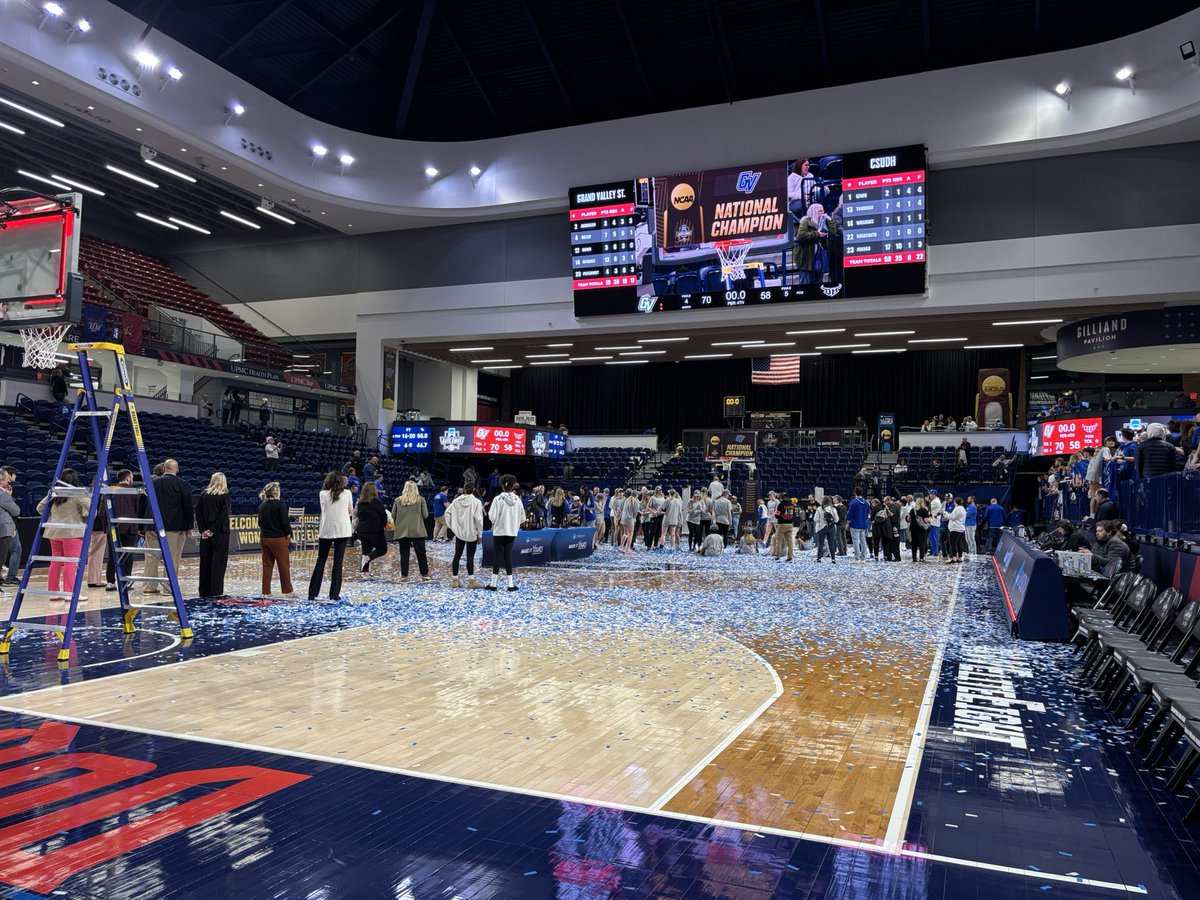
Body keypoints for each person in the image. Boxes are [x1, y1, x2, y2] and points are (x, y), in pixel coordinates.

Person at [36, 469, 88, 601]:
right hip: (72, 532)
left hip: (55, 532)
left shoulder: (53, 492)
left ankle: (53, 592)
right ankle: (69, 593)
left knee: (56, 561)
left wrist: (53, 519)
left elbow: (39, 508)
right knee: (70, 563)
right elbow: (91, 506)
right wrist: (84, 515)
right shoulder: (77, 493)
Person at [143, 459, 193, 594]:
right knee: (172, 557)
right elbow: (188, 506)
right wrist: (190, 525)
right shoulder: (182, 484)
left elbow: (144, 504)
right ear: (176, 470)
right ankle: (168, 588)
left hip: (153, 525)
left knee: (151, 557)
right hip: (174, 527)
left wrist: (142, 525)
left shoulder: (152, 483)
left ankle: (149, 587)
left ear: (164, 468)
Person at [308, 471, 353, 602]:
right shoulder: (348, 494)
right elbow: (350, 510)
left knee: (321, 560)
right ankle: (334, 594)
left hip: (326, 530)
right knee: (338, 562)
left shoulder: (322, 494)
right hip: (342, 530)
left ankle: (312, 593)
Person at [106, 469, 145, 590]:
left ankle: (110, 582)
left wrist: (106, 526)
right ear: (128, 478)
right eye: (132, 477)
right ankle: (126, 582)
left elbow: (103, 510)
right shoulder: (133, 492)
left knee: (113, 555)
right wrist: (139, 527)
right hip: (130, 528)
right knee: (128, 555)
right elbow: (139, 510)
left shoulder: (110, 490)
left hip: (113, 528)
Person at [195, 472, 231, 598]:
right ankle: (215, 591)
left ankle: (203, 591)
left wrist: (203, 530)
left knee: (205, 562)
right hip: (220, 533)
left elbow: (198, 512)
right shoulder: (224, 495)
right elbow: (223, 515)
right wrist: (212, 530)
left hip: (205, 534)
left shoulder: (204, 494)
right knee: (218, 563)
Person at [257, 481, 293, 597]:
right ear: (276, 492)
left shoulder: (261, 505)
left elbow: (259, 523)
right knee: (283, 565)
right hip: (277, 539)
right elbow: (284, 522)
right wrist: (289, 534)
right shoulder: (280, 504)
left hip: (264, 538)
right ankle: (288, 591)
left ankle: (266, 592)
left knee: (267, 566)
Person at [487, 475, 522, 590]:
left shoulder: (497, 499)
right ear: (513, 486)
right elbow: (523, 518)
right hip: (511, 532)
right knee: (508, 556)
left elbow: (491, 516)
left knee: (497, 556)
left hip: (498, 531)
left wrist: (498, 522)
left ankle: (493, 584)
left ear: (502, 485)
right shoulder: (518, 500)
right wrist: (514, 524)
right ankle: (510, 584)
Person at [391, 481, 430, 582]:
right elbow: (425, 515)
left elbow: (392, 515)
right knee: (421, 554)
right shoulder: (421, 500)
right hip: (417, 531)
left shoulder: (397, 500)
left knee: (404, 554)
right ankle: (424, 575)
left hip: (402, 531)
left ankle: (404, 576)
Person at [446, 486, 484, 587]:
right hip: (471, 533)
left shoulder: (456, 501)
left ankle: (455, 580)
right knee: (470, 557)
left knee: (457, 555)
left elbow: (447, 513)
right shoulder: (476, 502)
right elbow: (479, 520)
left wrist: (452, 527)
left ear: (464, 489)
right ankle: (471, 581)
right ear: (474, 489)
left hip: (459, 533)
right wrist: (479, 534)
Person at [354, 482, 389, 575]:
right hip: (375, 530)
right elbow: (383, 515)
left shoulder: (360, 502)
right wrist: (383, 525)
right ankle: (368, 557)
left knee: (366, 550)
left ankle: (365, 573)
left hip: (362, 531)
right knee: (382, 549)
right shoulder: (376, 501)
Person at [847, 487, 870, 562]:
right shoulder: (866, 502)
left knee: (856, 542)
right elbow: (867, 514)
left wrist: (847, 524)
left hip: (855, 525)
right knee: (863, 542)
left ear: (854, 493)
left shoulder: (853, 502)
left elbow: (850, 515)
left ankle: (857, 559)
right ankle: (863, 559)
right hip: (863, 524)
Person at [814, 496, 839, 563]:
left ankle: (819, 558)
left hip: (821, 528)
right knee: (831, 544)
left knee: (821, 543)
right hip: (831, 528)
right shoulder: (833, 509)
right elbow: (837, 520)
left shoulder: (819, 509)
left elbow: (815, 519)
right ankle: (833, 559)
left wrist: (820, 521)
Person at [772, 495, 797, 562]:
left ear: (782, 498)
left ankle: (778, 556)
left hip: (781, 524)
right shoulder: (792, 505)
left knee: (779, 541)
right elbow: (794, 514)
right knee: (790, 542)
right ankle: (790, 556)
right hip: (790, 524)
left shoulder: (780, 505)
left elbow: (777, 516)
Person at [944, 495, 966, 563]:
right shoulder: (962, 508)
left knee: (953, 543)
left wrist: (947, 515)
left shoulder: (958, 508)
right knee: (959, 543)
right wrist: (948, 515)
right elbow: (954, 516)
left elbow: (953, 517)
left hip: (955, 528)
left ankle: (954, 558)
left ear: (955, 502)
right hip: (960, 528)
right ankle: (959, 557)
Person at [908, 498, 931, 563]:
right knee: (922, 544)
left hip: (913, 529)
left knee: (914, 544)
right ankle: (921, 558)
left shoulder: (913, 510)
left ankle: (914, 558)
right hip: (921, 529)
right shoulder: (924, 510)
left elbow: (909, 519)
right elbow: (926, 520)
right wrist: (930, 520)